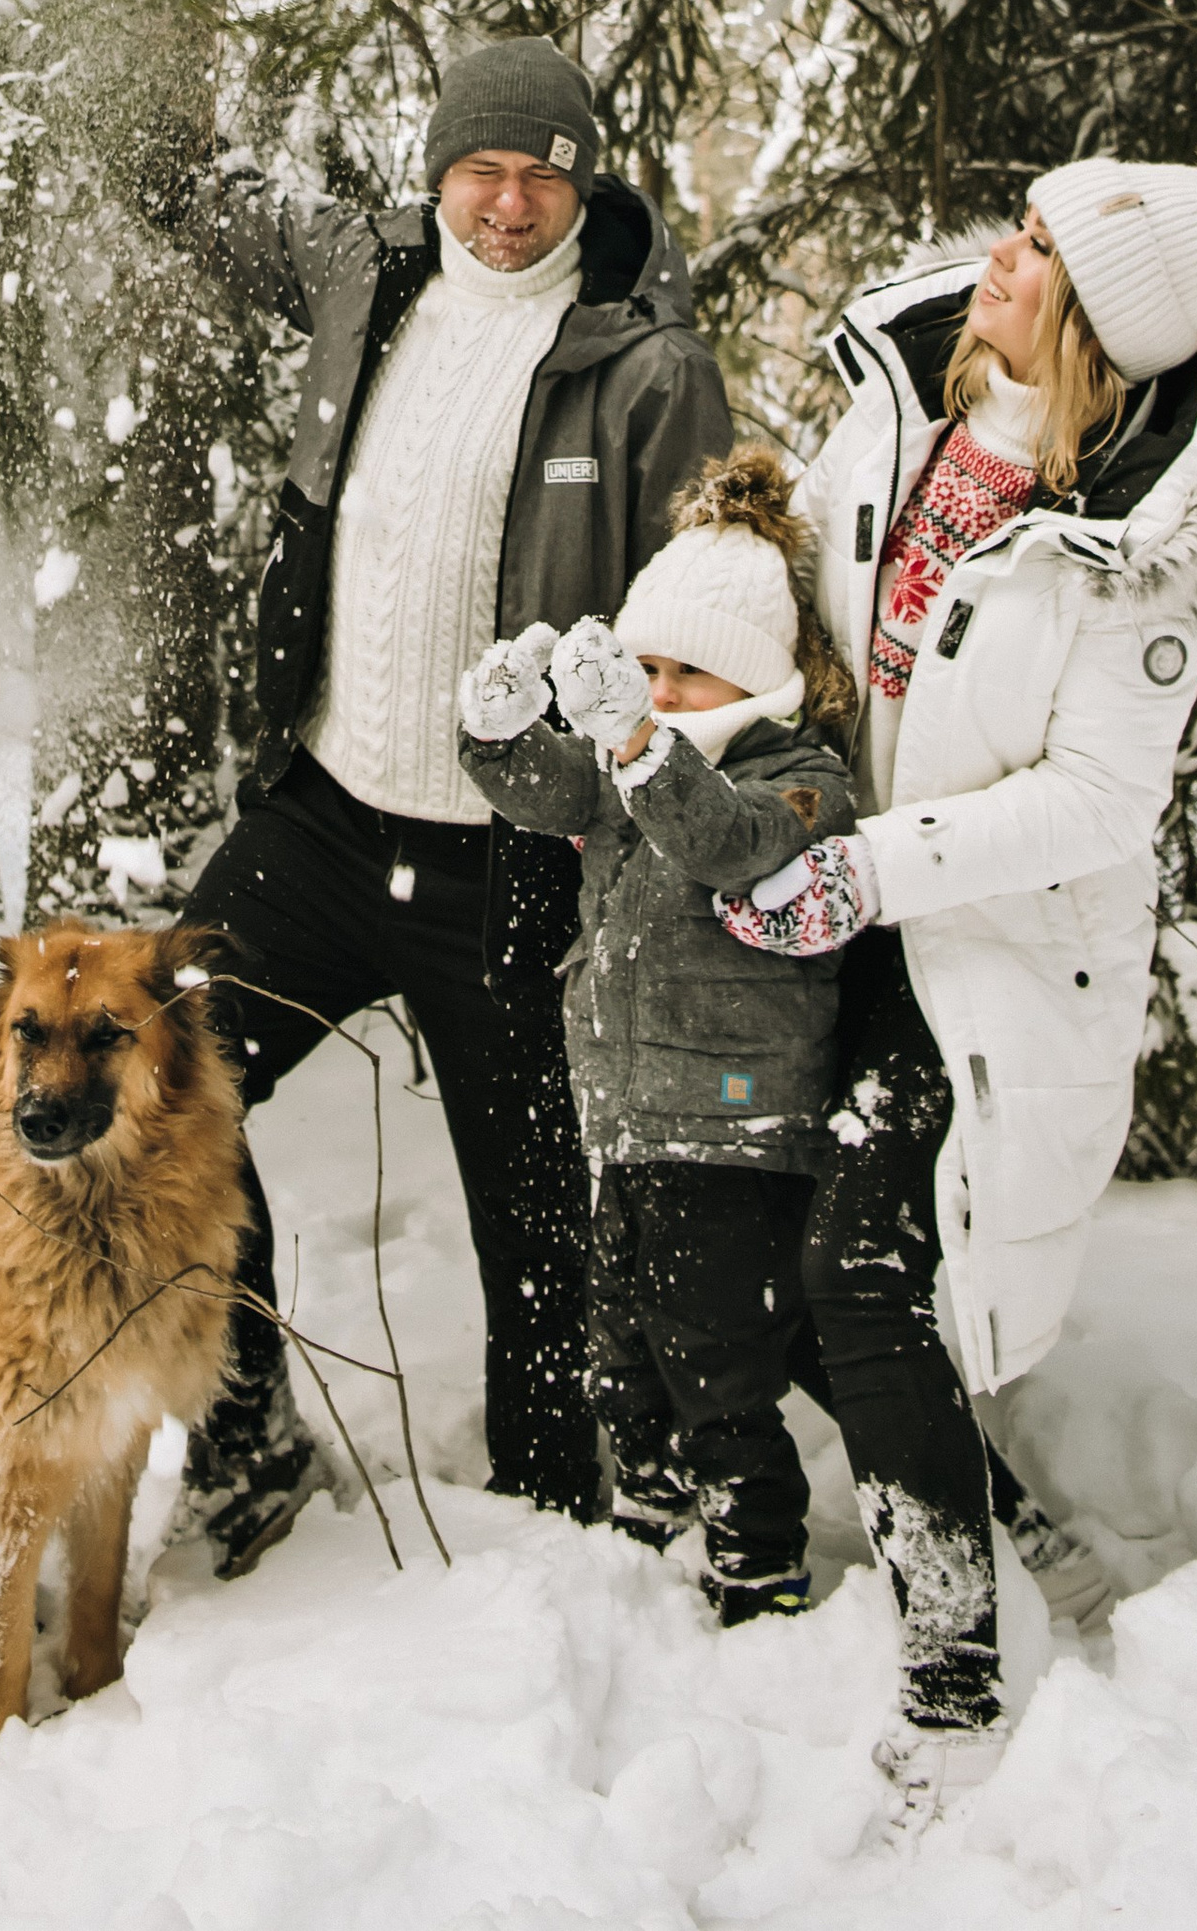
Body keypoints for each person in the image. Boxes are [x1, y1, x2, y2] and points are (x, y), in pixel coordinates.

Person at [717, 125, 1197, 1836]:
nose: (997, 259)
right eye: (1016, 229)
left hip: (981, 955)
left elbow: (1091, 804)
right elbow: (833, 628)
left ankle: (954, 1670)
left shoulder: (1132, 554)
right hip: (834, 896)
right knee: (751, 1240)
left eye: (1038, 255)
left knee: (861, 1268)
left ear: (1098, 331)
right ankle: (998, 1506)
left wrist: (865, 869)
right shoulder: (914, 405)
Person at [165, 36, 731, 1561]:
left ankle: (548, 1528)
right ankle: (244, 1435)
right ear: (437, 171)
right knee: (155, 1085)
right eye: (482, 167)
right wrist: (116, 76)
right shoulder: (377, 280)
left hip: (515, 862)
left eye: (544, 171)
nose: (508, 201)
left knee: (539, 1240)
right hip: (325, 816)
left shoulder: (647, 364)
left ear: (584, 180)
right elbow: (210, 201)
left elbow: (709, 619)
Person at [456, 446, 859, 1623]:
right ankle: (642, 1523)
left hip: (735, 1124)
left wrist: (640, 742)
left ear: (753, 678)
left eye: (688, 673)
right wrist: (494, 734)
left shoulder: (797, 777)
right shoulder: (618, 769)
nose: (662, 690)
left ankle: (754, 1559)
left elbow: (726, 840)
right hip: (626, 1116)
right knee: (620, 1347)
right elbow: (545, 790)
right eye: (644, 667)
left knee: (719, 1360)